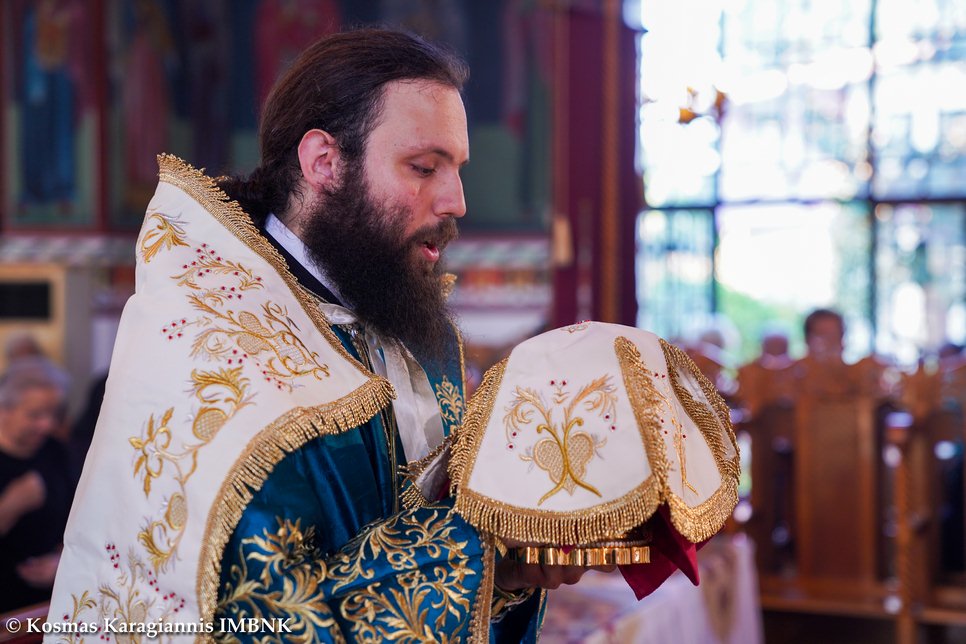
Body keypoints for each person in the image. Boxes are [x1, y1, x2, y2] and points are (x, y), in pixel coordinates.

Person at [48, 29, 595, 641]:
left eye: (457, 170)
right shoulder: (216, 349)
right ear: (324, 163)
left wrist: (507, 571)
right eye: (424, 167)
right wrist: (479, 545)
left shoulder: (417, 335)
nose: (456, 201)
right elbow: (263, 619)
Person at [0, 357, 74, 612]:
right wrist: (10, 506)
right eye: (35, 415)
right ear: (5, 409)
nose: (47, 424)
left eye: (53, 414)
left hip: (49, 603)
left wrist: (62, 561)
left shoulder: (55, 451)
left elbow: (79, 521)